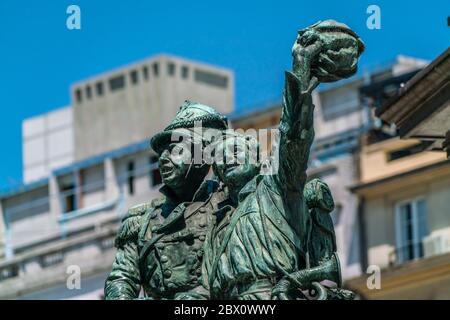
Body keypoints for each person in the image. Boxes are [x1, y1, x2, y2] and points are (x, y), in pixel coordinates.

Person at [104, 100, 228, 299]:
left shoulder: (228, 203)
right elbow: (122, 278)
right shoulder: (140, 221)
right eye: (161, 152)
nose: (162, 158)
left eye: (175, 150)